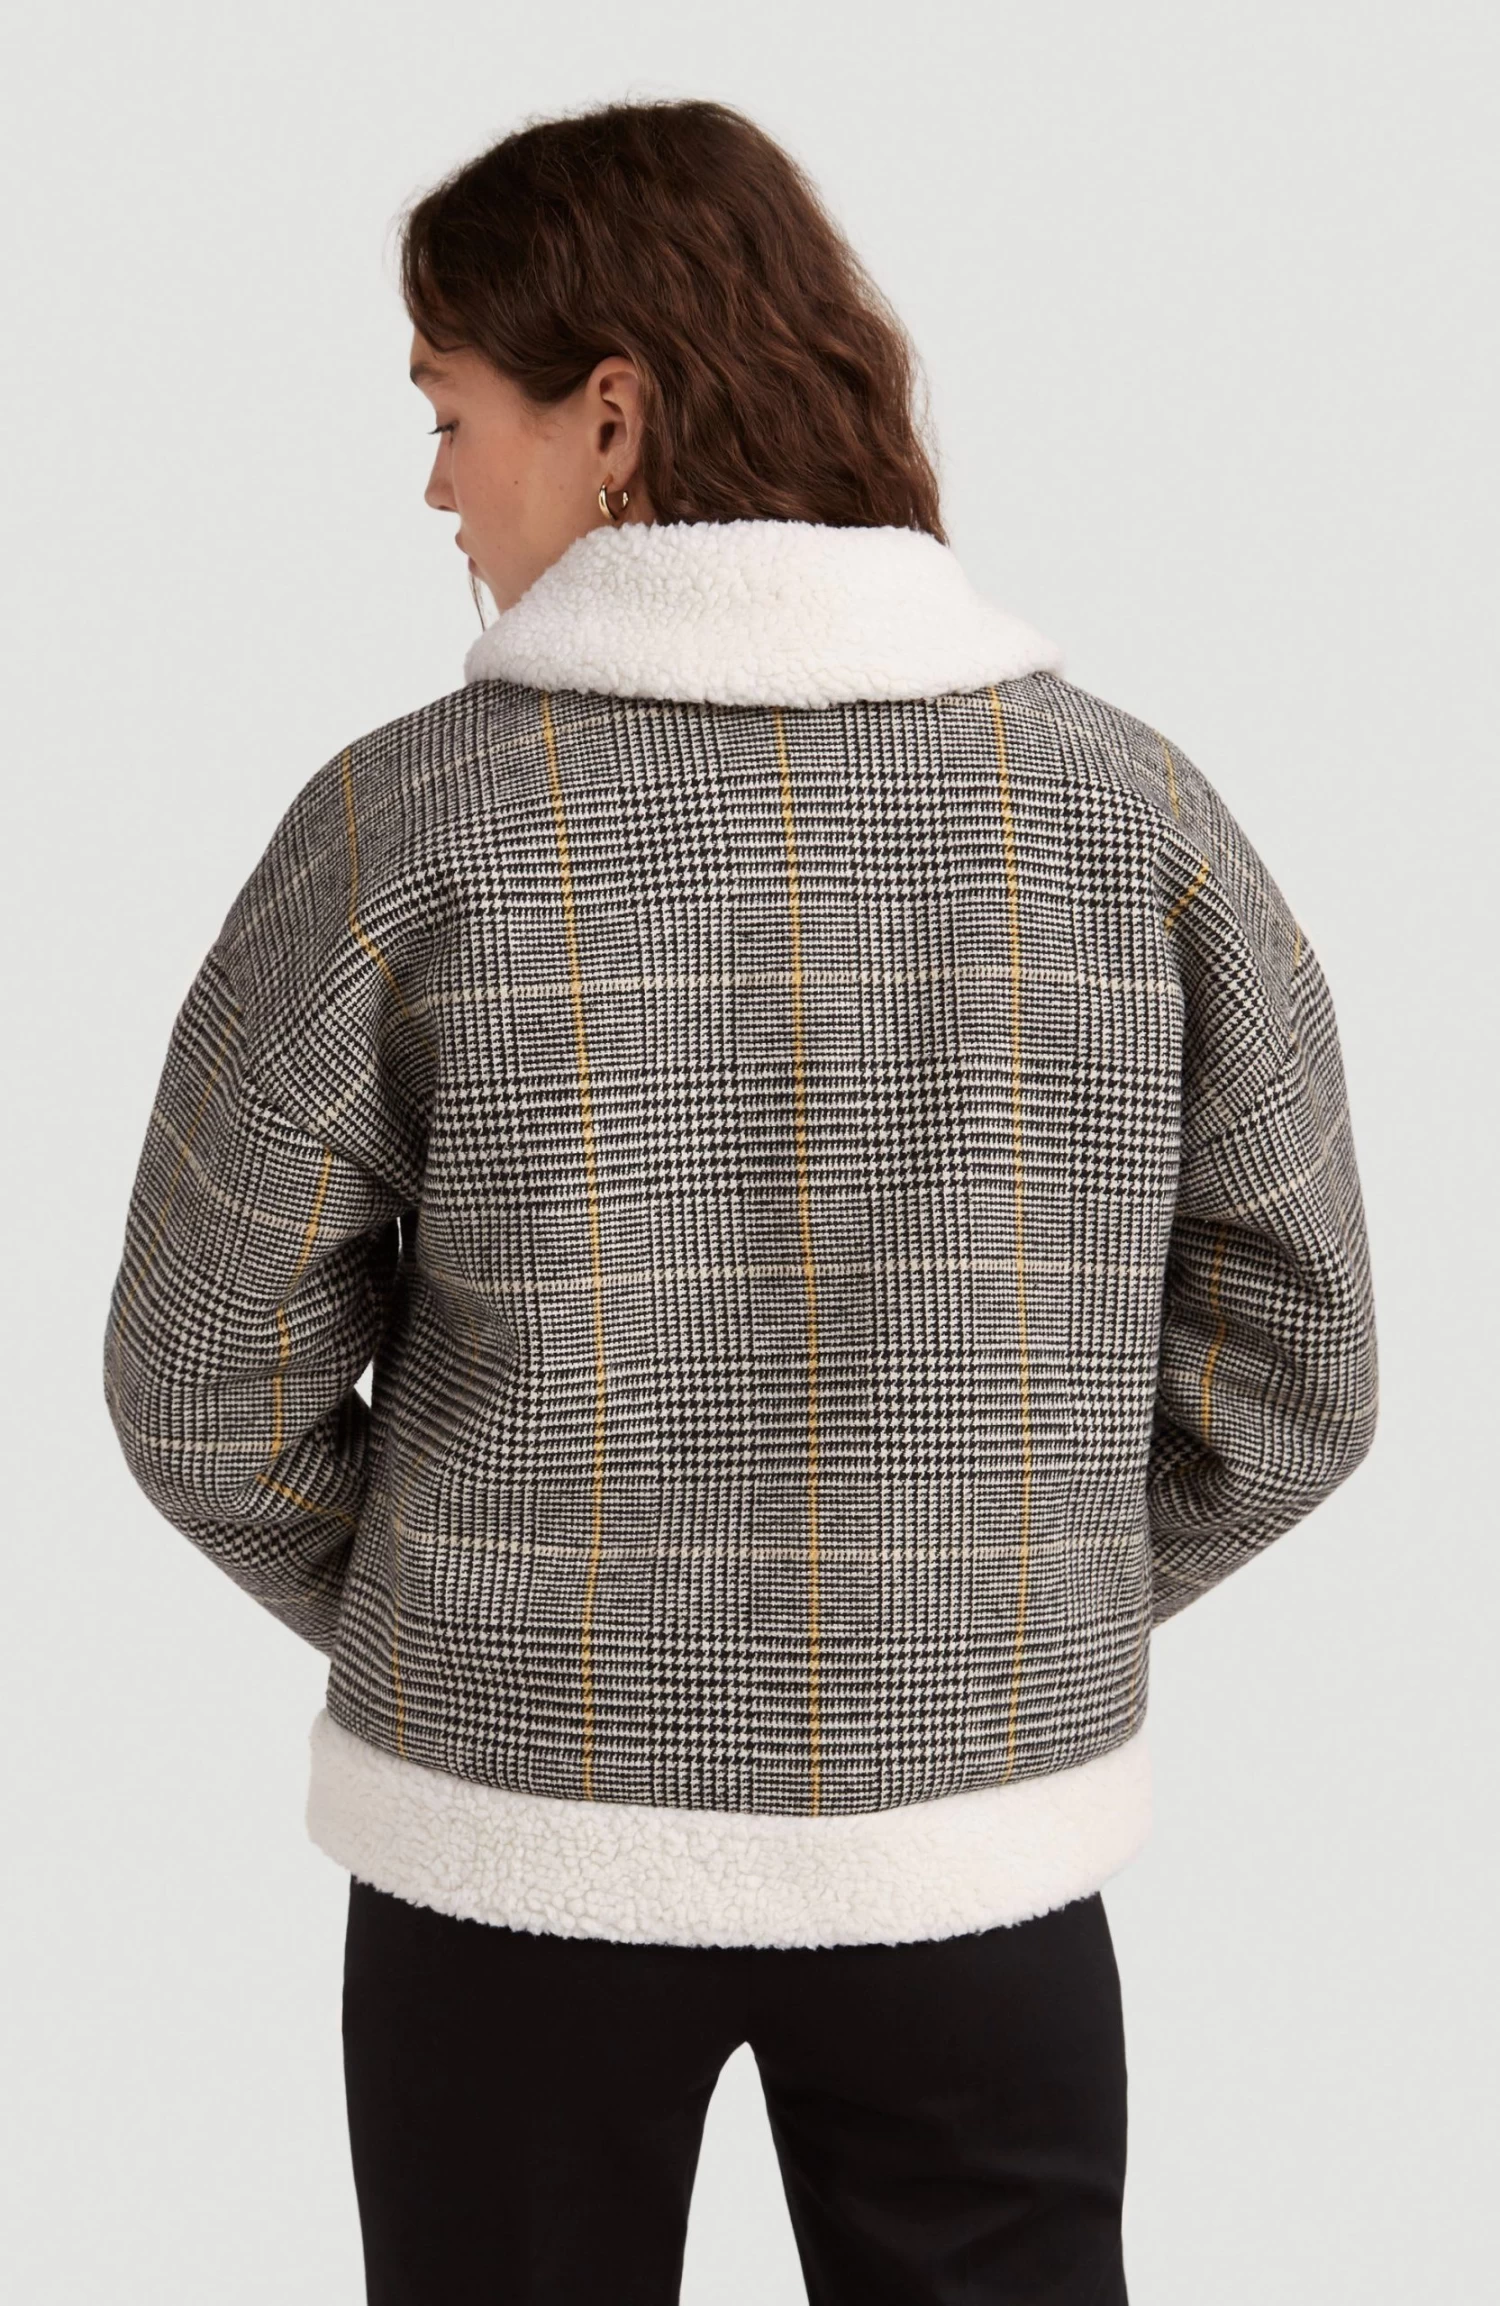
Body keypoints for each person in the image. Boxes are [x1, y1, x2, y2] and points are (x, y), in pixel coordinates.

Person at [101, 95, 1379, 2306]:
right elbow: (1302, 1375)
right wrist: (990, 1631)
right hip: (971, 1871)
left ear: (611, 415)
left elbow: (200, 1384)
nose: (433, 488)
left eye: (449, 413)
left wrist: (477, 1635)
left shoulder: (407, 827)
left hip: (512, 1869)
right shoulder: (1128, 813)